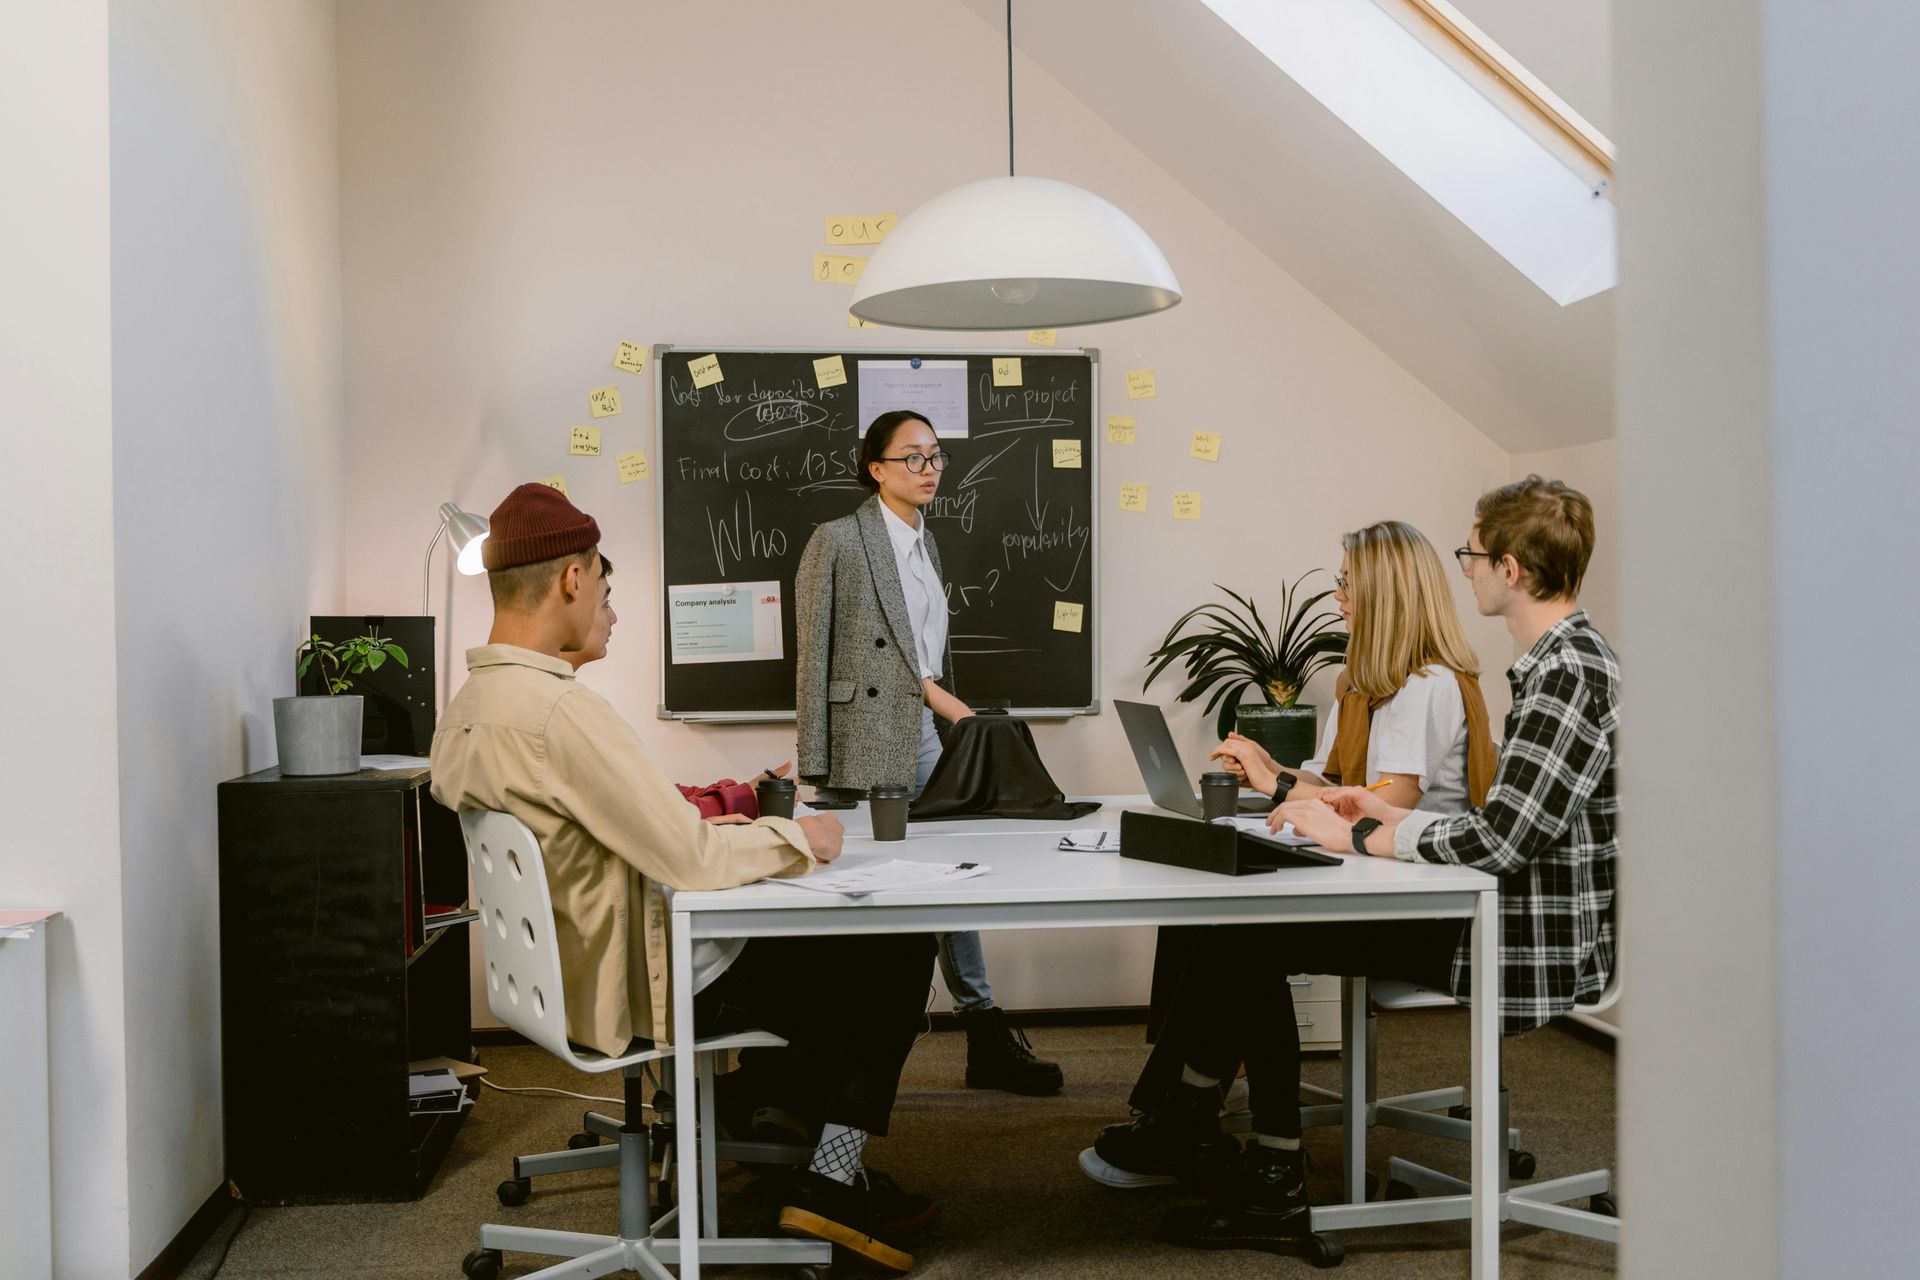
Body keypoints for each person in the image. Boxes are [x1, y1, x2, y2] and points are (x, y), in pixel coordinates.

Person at [1081, 477, 1618, 1263]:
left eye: (1473, 554)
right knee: (1238, 930)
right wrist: (1374, 813)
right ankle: (1207, 1134)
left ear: (1511, 569)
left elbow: (1501, 843)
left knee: (1247, 936)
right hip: (1487, 906)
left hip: (1516, 936)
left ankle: (1255, 1168)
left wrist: (1362, 835)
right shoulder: (1553, 665)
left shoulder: (1565, 673)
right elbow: (1499, 827)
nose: (1465, 568)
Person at [432, 483, 938, 1273]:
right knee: (892, 942)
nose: (607, 606)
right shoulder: (560, 712)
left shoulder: (469, 705)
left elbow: (622, 835)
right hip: (636, 984)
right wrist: (797, 837)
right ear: (572, 578)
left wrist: (727, 830)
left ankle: (760, 1112)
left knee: (812, 948)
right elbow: (691, 861)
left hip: (562, 972)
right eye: (602, 587)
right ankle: (831, 1179)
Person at [795, 409, 1064, 1097]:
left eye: (936, 456)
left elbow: (923, 657)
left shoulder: (925, 542)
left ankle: (979, 1027)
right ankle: (850, 1043)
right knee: (871, 884)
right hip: (863, 735)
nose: (929, 469)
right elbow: (814, 658)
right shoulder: (838, 539)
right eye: (912, 457)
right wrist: (815, 764)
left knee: (946, 872)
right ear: (875, 468)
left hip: (917, 729)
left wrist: (950, 719)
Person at [1207, 520, 1497, 819]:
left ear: (1385, 594)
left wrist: (1273, 784)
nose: (1338, 594)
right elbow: (1326, 782)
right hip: (1366, 844)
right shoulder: (1358, 685)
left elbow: (1384, 807)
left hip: (1416, 848)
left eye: (1348, 582)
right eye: (1340, 580)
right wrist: (1268, 767)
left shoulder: (1430, 683)